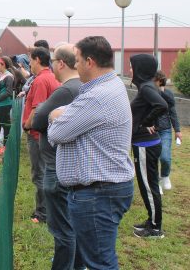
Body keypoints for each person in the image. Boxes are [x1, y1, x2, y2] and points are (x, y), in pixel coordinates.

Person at [48, 36, 135, 269]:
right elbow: (72, 117)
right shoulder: (109, 86)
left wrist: (54, 115)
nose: (74, 66)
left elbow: (57, 134)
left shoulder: (98, 96)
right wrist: (63, 113)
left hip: (97, 193)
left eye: (76, 61)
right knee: (93, 258)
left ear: (89, 61)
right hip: (102, 190)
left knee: (100, 263)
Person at [31, 44, 84, 270]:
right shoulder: (80, 86)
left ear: (61, 63)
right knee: (71, 224)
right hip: (69, 164)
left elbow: (39, 118)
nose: (52, 65)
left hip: (56, 164)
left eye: (53, 61)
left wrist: (44, 107)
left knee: (62, 228)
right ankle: (77, 264)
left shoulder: (67, 90)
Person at [130, 54, 168, 238]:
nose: (130, 70)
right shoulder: (145, 87)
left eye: (132, 66)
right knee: (147, 184)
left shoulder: (146, 87)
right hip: (143, 143)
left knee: (148, 185)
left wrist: (145, 122)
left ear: (140, 69)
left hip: (146, 144)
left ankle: (154, 228)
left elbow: (161, 105)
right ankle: (152, 220)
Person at [22, 46, 60, 223]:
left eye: (30, 60)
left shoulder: (40, 80)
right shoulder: (51, 77)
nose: (29, 64)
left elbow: (37, 108)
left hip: (37, 135)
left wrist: (28, 126)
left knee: (40, 173)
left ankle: (42, 213)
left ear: (37, 60)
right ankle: (47, 210)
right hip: (46, 133)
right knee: (47, 172)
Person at [154, 70, 182, 191]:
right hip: (152, 131)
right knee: (153, 159)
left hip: (165, 130)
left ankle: (165, 176)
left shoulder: (168, 94)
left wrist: (177, 130)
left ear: (159, 81)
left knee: (165, 157)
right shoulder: (149, 93)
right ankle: (157, 184)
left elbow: (173, 112)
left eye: (154, 80)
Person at [0, 56, 14, 148]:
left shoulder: (8, 76)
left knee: (5, 125)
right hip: (0, 104)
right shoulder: (1, 75)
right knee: (1, 123)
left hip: (5, 104)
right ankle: (0, 142)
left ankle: (6, 145)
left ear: (3, 65)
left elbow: (9, 92)